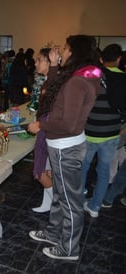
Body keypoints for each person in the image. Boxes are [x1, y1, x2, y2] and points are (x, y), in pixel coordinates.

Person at [28, 35, 101, 261]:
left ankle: (69, 248)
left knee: (70, 201)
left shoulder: (77, 81)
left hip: (64, 147)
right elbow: (57, 96)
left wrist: (41, 124)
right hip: (65, 144)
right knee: (61, 195)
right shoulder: (83, 75)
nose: (63, 52)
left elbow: (67, 123)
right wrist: (54, 65)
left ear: (75, 52)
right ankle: (53, 232)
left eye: (67, 48)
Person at [82, 44, 126, 216]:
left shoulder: (93, 74)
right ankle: (94, 207)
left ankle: (77, 202)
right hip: (112, 133)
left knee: (83, 168)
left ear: (101, 59)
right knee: (104, 170)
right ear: (118, 59)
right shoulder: (124, 78)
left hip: (90, 131)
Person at [30, 48, 53, 213]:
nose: (36, 63)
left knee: (39, 172)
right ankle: (48, 204)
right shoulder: (47, 81)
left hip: (48, 130)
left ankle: (57, 204)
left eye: (39, 60)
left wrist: (40, 124)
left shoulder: (52, 83)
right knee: (47, 170)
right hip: (47, 128)